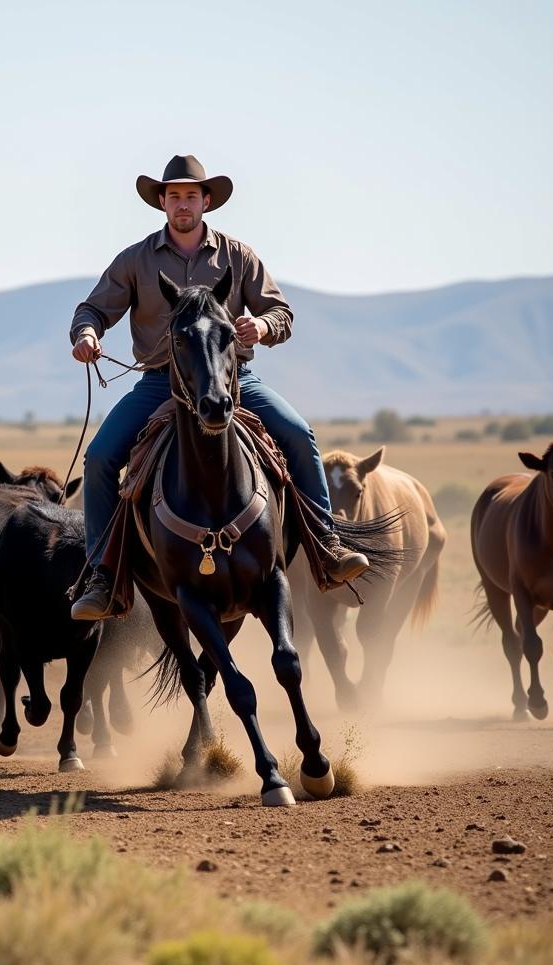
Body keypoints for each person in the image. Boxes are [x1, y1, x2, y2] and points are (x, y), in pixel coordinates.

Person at [68, 154, 368, 621]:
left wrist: (262, 328)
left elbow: (281, 313)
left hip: (235, 381)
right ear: (162, 204)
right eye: (174, 197)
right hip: (159, 384)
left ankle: (325, 546)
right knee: (101, 457)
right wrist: (87, 334)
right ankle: (104, 575)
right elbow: (92, 309)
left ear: (206, 201)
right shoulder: (135, 260)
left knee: (297, 432)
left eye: (191, 195)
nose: (182, 204)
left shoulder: (238, 256)